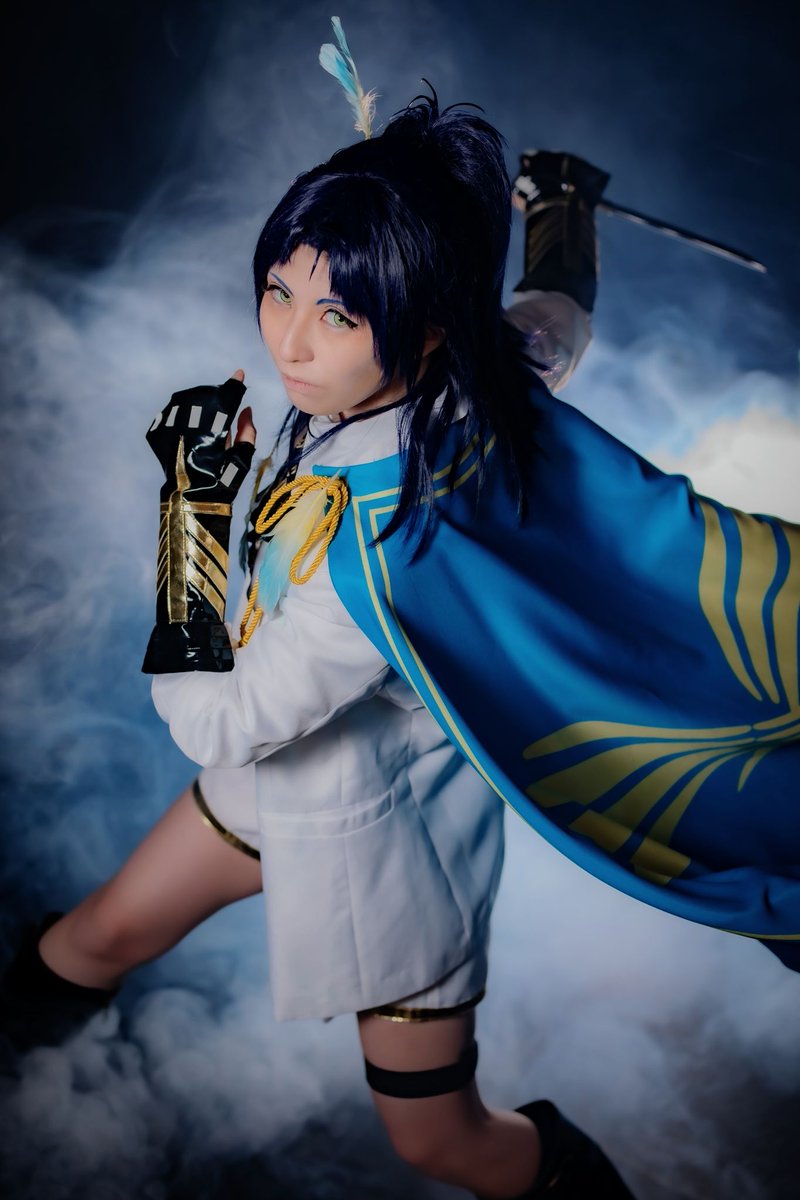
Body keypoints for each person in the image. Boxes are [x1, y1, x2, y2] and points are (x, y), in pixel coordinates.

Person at [2, 89, 640, 1198]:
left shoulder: (383, 551)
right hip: (281, 775)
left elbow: (215, 718)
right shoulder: (478, 367)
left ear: (425, 324)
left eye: (337, 315)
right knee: (89, 942)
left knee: (440, 1142)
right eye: (279, 290)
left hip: (395, 844)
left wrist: (192, 509)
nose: (289, 342)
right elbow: (549, 322)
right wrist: (561, 207)